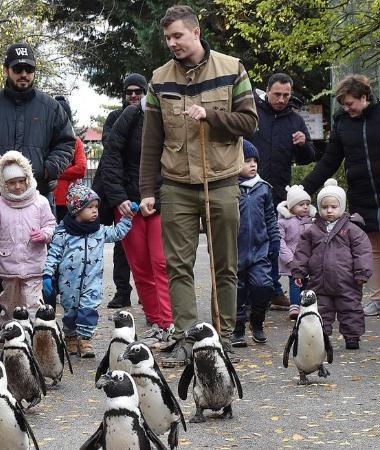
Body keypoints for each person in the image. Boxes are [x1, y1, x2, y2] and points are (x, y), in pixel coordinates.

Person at [138, 5, 258, 367]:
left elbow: (250, 122)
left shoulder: (232, 68)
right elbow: (151, 141)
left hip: (221, 181)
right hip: (176, 185)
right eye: (167, 38)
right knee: (178, 266)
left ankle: (220, 339)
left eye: (177, 36)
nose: (172, 43)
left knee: (225, 263)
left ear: (195, 32)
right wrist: (147, 190)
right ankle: (187, 339)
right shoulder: (158, 79)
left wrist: (212, 116)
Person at [0, 42, 75, 344]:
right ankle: (3, 318)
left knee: (41, 259)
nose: (23, 74)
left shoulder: (50, 107)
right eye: (18, 69)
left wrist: (48, 168)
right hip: (1, 197)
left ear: (34, 71)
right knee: (2, 259)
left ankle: (40, 319)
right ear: (7, 70)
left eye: (28, 69)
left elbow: (66, 144)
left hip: (38, 195)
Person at [301, 74, 380, 319]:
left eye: (350, 104)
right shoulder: (342, 123)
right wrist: (305, 187)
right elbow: (330, 160)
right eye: (343, 105)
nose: (347, 109)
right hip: (362, 192)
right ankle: (377, 299)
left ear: (364, 97)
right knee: (371, 248)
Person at [101, 83, 174, 342]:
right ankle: (156, 321)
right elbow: (110, 158)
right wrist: (119, 198)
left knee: (161, 263)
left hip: (161, 202)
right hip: (129, 205)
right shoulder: (130, 117)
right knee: (141, 267)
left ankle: (168, 322)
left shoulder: (172, 117)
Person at [0, 151, 57, 325]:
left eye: (21, 181)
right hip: (9, 265)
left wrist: (44, 234)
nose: (17, 186)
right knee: (10, 303)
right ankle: (10, 330)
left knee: (33, 302)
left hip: (34, 263)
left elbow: (51, 225)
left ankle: (35, 333)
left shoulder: (40, 202)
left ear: (28, 179)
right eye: (11, 183)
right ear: (3, 183)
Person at [43, 184, 133, 358]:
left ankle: (85, 339)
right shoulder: (63, 234)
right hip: (68, 283)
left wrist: (127, 218)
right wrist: (47, 275)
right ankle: (70, 337)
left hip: (92, 282)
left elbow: (118, 233)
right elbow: (52, 255)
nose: (95, 211)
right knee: (70, 312)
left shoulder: (99, 231)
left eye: (96, 207)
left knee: (88, 310)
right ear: (76, 210)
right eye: (89, 207)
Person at [251, 73, 316, 310]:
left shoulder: (295, 120)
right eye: (277, 94)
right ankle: (255, 290)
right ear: (267, 91)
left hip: (280, 192)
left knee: (278, 242)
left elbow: (308, 157)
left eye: (286, 95)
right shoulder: (253, 114)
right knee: (253, 240)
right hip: (251, 188)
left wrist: (303, 145)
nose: (281, 99)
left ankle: (276, 290)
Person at [292, 179, 372, 350]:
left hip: (347, 281)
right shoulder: (312, 230)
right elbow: (302, 252)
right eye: (324, 207)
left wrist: (361, 273)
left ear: (341, 207)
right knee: (321, 311)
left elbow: (362, 251)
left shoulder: (352, 229)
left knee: (350, 309)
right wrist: (299, 272)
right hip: (319, 281)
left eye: (333, 207)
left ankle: (352, 337)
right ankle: (321, 336)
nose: (329, 211)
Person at [95, 73, 147, 309]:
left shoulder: (151, 117)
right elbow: (111, 147)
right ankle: (122, 291)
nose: (134, 95)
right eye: (129, 92)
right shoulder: (116, 117)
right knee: (122, 246)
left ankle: (148, 296)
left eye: (138, 91)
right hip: (120, 192)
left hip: (144, 189)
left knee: (148, 250)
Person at [232, 142, 279, 347]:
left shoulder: (263, 188)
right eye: (247, 161)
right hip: (236, 250)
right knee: (237, 290)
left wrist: (275, 239)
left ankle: (257, 321)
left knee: (263, 286)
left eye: (254, 161)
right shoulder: (230, 188)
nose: (253, 165)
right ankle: (237, 328)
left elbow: (270, 216)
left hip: (260, 249)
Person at [276, 185, 316, 320]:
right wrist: (288, 258)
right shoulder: (284, 222)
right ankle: (294, 306)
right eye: (301, 205)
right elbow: (280, 241)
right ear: (291, 207)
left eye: (307, 204)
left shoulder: (311, 221)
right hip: (292, 258)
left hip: (307, 258)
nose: (305, 207)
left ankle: (305, 306)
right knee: (295, 281)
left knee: (306, 282)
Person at [52, 96, 87, 223]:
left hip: (68, 199)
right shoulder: (45, 141)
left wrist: (52, 173)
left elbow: (81, 169)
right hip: (47, 197)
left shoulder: (75, 141)